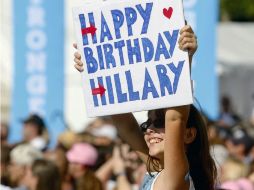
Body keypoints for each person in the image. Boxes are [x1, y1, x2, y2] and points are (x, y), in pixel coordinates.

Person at [74, 25, 217, 190]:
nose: (149, 129)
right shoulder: (156, 171)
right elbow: (127, 126)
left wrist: (184, 57)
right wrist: (96, 68)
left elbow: (175, 118)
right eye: (148, 122)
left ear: (189, 134)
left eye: (159, 122)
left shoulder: (175, 175)